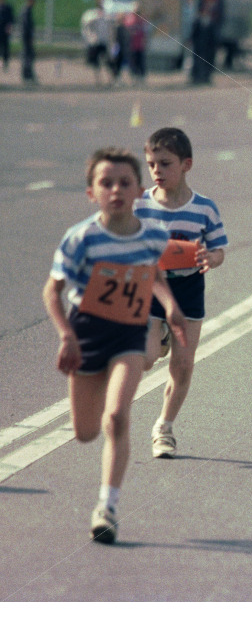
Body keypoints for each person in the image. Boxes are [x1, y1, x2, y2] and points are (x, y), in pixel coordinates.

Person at [42, 148, 187, 544]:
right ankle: (99, 387)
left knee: (118, 418)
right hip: (86, 335)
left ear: (139, 190)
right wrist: (66, 335)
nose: (116, 190)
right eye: (106, 183)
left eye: (125, 183)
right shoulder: (81, 239)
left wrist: (171, 306)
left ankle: (107, 507)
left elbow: (154, 273)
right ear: (92, 193)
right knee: (86, 432)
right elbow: (52, 292)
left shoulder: (153, 235)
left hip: (128, 335)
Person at [135, 128, 228, 458]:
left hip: (188, 287)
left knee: (184, 365)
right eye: (151, 164)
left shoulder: (203, 208)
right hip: (151, 288)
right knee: (145, 360)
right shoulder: (141, 206)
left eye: (165, 163)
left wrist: (209, 258)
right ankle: (158, 338)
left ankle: (164, 426)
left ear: (186, 164)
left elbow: (219, 251)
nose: (157, 171)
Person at [80, 0, 111, 86]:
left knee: (106, 61)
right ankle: (98, 79)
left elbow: (108, 27)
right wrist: (89, 38)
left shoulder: (105, 17)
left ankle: (108, 79)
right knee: (96, 62)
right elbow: (86, 25)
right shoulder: (93, 16)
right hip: (96, 42)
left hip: (103, 42)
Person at [20, 0, 36, 83]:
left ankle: (27, 73)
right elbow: (26, 25)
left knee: (29, 55)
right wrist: (30, 36)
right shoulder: (26, 11)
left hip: (26, 36)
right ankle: (27, 74)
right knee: (28, 56)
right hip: (26, 37)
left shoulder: (27, 10)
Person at [0, 0, 14, 72]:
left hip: (5, 31)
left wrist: (9, 27)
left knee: (5, 48)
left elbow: (11, 19)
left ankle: (5, 63)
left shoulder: (7, 7)